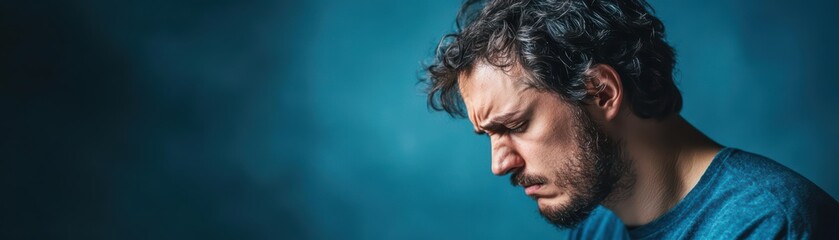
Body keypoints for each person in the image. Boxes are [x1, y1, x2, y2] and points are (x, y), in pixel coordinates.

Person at [421, 0, 839, 238]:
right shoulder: (596, 229)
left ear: (602, 92)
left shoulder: (771, 224)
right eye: (488, 135)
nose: (500, 165)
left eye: (514, 125)